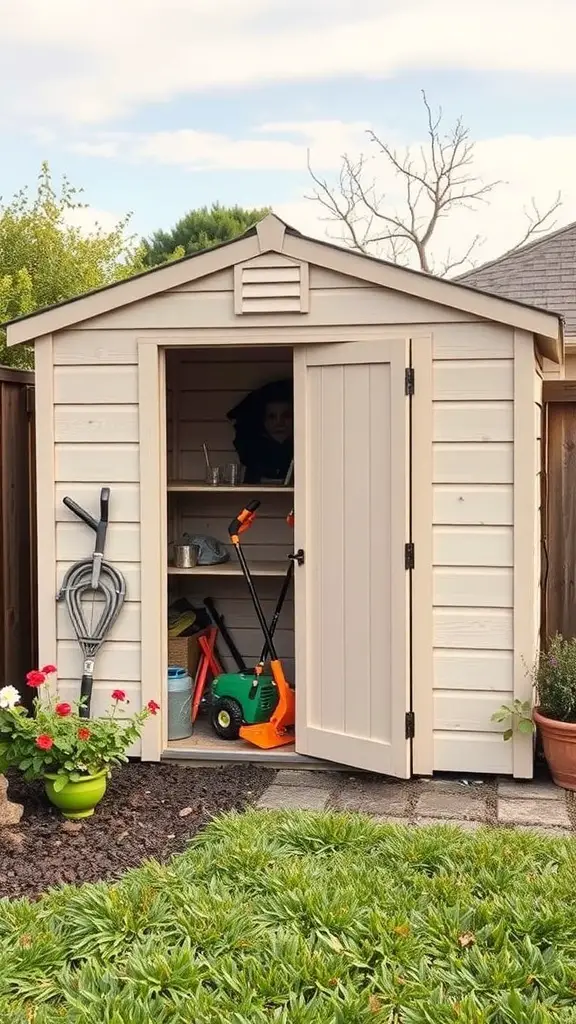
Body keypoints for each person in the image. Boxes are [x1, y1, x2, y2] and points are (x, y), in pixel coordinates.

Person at [227, 379, 293, 484]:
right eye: (272, 417)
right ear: (263, 421)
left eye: (286, 416)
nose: (279, 423)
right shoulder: (253, 454)